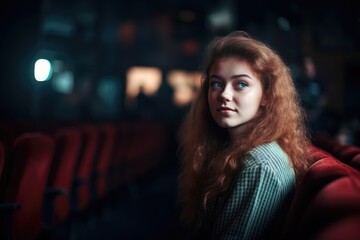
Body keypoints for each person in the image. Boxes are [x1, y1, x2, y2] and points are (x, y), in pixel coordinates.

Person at [178, 31, 310, 240]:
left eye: (241, 84)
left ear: (266, 95)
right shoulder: (230, 150)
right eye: (216, 84)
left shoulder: (259, 165)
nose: (224, 95)